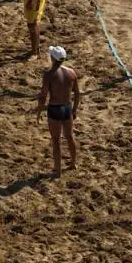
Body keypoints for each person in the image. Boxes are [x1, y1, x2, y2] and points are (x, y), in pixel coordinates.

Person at [36, 46, 80, 178]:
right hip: (67, 107)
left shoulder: (49, 74)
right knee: (69, 137)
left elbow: (43, 96)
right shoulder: (71, 72)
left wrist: (39, 111)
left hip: (55, 108)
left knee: (56, 141)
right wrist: (74, 109)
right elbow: (77, 93)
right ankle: (73, 163)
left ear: (53, 58)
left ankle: (58, 171)